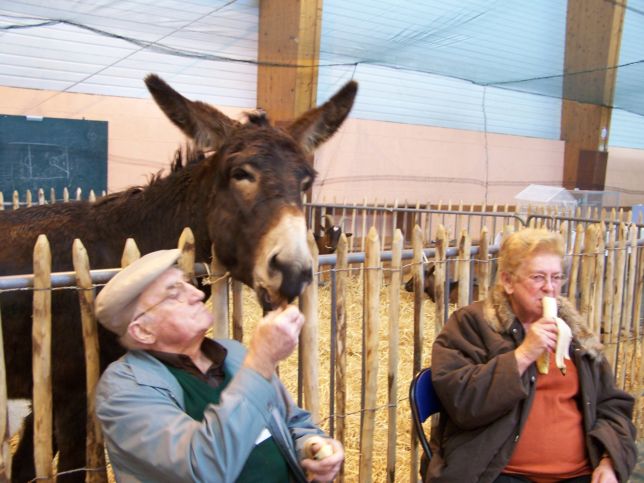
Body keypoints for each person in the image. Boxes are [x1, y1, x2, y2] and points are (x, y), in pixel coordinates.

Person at [94, 249, 343, 482]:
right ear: (143, 331)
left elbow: (293, 422)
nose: (199, 294)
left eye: (187, 284)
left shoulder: (233, 353)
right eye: (174, 293)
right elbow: (203, 467)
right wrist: (262, 361)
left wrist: (312, 445)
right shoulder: (123, 390)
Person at [424, 228, 636, 483]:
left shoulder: (576, 335)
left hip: (581, 473)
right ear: (508, 281)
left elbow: (611, 404)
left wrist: (609, 460)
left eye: (556, 278)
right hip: (499, 473)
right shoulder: (472, 324)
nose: (549, 288)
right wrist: (523, 354)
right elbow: (463, 402)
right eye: (538, 277)